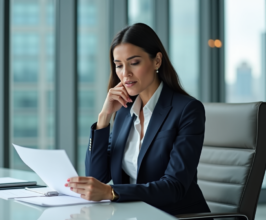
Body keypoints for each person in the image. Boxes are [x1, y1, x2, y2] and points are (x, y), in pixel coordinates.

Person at [65, 23, 211, 216]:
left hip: (175, 216)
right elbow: (97, 176)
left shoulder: (187, 110)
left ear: (157, 61)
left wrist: (112, 192)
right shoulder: (125, 111)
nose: (125, 74)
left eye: (134, 63)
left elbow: (174, 186)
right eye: (119, 65)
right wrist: (104, 118)